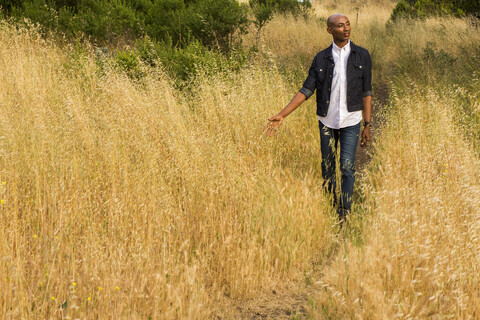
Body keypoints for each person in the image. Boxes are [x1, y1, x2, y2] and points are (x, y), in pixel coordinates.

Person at [264, 13, 372, 222]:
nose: (346, 28)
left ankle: (345, 210)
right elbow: (306, 90)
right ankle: (330, 206)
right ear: (330, 30)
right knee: (328, 166)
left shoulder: (362, 55)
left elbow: (367, 91)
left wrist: (367, 124)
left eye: (348, 24)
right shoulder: (321, 58)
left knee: (347, 166)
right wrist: (282, 115)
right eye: (340, 26)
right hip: (327, 122)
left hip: (351, 120)